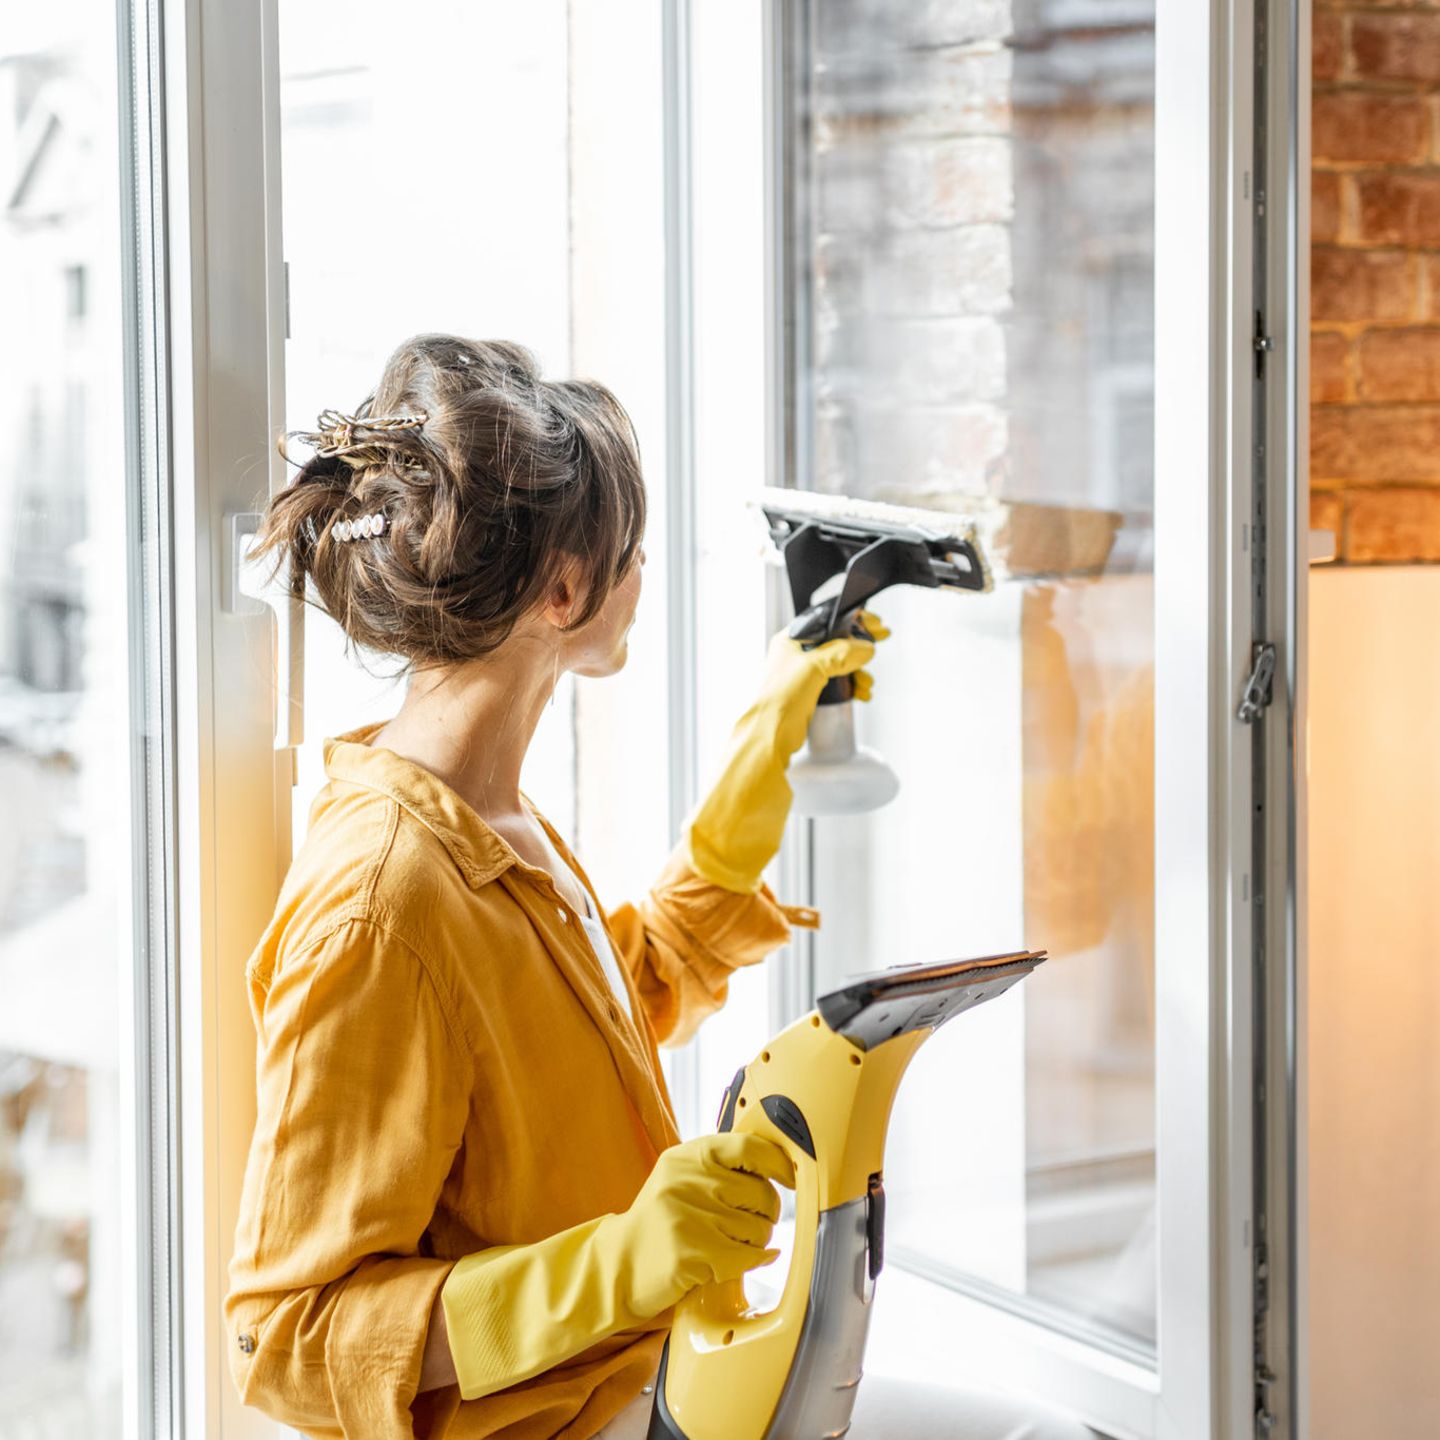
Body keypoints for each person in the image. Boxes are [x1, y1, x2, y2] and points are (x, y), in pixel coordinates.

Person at [223, 335, 883, 1438]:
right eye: (632, 557)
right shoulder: (379, 908)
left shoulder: (491, 823)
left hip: (653, 1381)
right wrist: (618, 1263)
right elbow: (287, 1337)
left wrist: (748, 790)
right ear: (567, 591)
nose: (641, 581)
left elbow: (588, 1032)